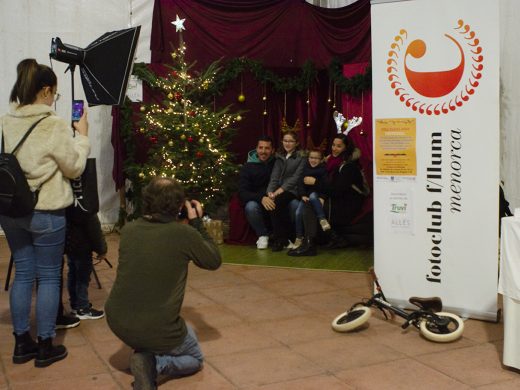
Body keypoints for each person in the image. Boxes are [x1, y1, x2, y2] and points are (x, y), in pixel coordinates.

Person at [0, 58, 90, 367]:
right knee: (50, 276)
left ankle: (21, 342)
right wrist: (83, 136)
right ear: (46, 90)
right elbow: (74, 166)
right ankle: (45, 345)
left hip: (10, 212)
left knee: (24, 274)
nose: (55, 99)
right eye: (55, 94)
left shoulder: (4, 121)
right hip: (46, 212)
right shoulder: (53, 124)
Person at [105, 177, 221, 390]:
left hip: (117, 319)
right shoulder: (183, 234)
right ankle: (156, 364)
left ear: (147, 201)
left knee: (183, 331)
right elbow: (213, 260)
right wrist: (197, 223)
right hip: (157, 327)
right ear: (178, 206)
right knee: (195, 358)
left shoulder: (130, 230)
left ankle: (146, 352)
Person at [289, 134, 364, 256]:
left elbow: (338, 190)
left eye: (339, 146)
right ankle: (316, 240)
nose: (334, 148)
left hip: (346, 204)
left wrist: (317, 185)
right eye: (333, 145)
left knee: (310, 205)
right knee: (309, 202)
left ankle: (309, 244)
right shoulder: (330, 162)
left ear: (346, 148)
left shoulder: (349, 166)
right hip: (335, 198)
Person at [267, 130, 305, 251]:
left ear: (296, 143)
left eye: (290, 141)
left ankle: (280, 240)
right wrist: (270, 192)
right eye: (285, 141)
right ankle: (283, 239)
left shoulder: (301, 157)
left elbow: (296, 178)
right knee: (273, 203)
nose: (287, 143)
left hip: (293, 190)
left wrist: (279, 190)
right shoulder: (279, 156)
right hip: (278, 190)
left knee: (276, 203)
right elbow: (274, 176)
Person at [64, 212, 107, 320]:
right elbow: (94, 229)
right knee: (82, 278)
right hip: (83, 247)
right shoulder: (87, 205)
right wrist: (101, 249)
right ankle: (83, 308)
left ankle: (75, 305)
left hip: (70, 244)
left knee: (73, 274)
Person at [238, 135, 275, 249]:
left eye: (267, 148)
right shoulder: (247, 167)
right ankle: (263, 235)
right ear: (256, 149)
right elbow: (243, 192)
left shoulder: (277, 163)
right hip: (257, 200)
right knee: (250, 207)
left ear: (272, 150)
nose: (263, 151)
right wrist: (261, 198)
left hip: (275, 198)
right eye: (260, 148)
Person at [293, 148, 330, 249]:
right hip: (306, 196)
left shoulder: (323, 170)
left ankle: (322, 219)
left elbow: (326, 186)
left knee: (313, 195)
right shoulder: (305, 169)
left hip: (316, 194)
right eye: (311, 157)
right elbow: (300, 184)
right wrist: (302, 195)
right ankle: (299, 237)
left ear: (321, 159)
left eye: (316, 158)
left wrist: (322, 197)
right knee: (298, 213)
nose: (313, 160)